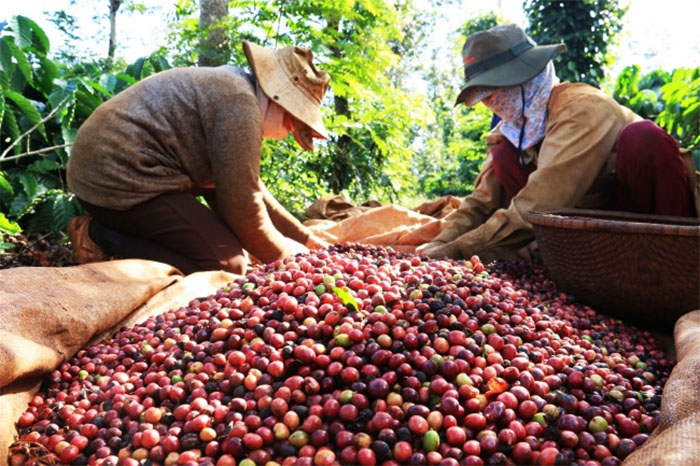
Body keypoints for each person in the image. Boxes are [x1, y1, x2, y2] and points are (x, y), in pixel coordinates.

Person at [417, 24, 698, 261]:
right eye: (481, 96)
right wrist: (440, 243)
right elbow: (480, 202)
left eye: (491, 91)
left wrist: (462, 250)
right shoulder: (513, 132)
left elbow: (542, 201)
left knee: (643, 138)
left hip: (647, 219)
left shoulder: (580, 108)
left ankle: (676, 262)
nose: (487, 103)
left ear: (525, 79)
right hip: (593, 234)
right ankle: (577, 259)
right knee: (503, 155)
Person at [67, 41, 330, 275]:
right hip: (117, 178)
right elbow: (244, 210)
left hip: (126, 170)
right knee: (226, 265)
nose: (290, 131)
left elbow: (248, 188)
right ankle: (101, 237)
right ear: (277, 97)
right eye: (292, 121)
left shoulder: (237, 92)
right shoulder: (240, 105)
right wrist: (289, 263)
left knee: (235, 247)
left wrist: (304, 238)